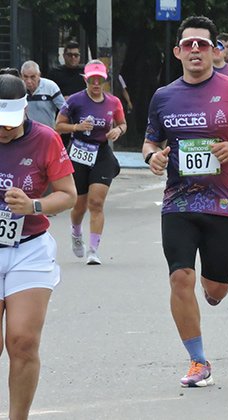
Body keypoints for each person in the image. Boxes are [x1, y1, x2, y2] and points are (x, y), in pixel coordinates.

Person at [142, 15, 228, 387]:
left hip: (223, 204)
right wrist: (151, 156)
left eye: (202, 44)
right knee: (180, 278)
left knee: (215, 290)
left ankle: (215, 284)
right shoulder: (164, 96)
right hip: (178, 204)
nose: (195, 51)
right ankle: (198, 361)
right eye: (188, 44)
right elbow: (151, 141)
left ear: (214, 50)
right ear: (178, 52)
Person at [0, 73, 76, 420]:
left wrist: (33, 205)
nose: (3, 130)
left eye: (9, 124)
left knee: (22, 341)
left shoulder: (45, 139)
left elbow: (68, 196)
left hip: (29, 248)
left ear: (25, 110)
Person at [54, 60, 127, 265]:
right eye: (92, 80)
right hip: (79, 153)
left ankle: (93, 250)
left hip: (101, 153)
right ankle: (76, 233)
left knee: (96, 202)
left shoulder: (113, 102)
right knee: (79, 205)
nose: (96, 84)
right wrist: (77, 127)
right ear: (86, 80)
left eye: (100, 80)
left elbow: (122, 123)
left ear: (104, 81)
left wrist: (118, 130)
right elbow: (58, 126)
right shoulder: (75, 101)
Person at [20, 61, 66, 129]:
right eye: (25, 77)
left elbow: (64, 109)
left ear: (39, 75)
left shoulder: (50, 86)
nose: (29, 81)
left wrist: (60, 127)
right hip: (27, 133)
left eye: (33, 77)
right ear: (21, 76)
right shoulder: (18, 88)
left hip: (48, 131)